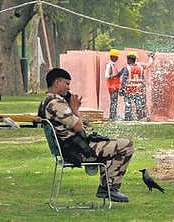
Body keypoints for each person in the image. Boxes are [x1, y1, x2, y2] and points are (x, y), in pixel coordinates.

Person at [38, 68, 134, 202]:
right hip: (77, 152)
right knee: (126, 145)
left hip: (72, 148)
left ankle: (107, 186)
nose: (68, 87)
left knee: (112, 143)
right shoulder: (55, 103)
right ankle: (109, 188)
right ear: (57, 83)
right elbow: (78, 127)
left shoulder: (46, 101)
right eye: (66, 83)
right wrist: (75, 109)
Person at [120, 51, 154, 121]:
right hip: (138, 91)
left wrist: (122, 90)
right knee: (138, 105)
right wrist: (151, 57)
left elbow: (124, 80)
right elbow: (149, 65)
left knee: (128, 106)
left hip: (128, 91)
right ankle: (139, 118)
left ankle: (128, 119)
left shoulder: (127, 68)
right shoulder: (140, 66)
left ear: (128, 59)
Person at [105, 49, 121, 121]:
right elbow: (107, 76)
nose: (117, 58)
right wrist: (115, 75)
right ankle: (112, 117)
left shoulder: (114, 65)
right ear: (112, 57)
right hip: (112, 87)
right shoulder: (109, 66)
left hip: (115, 87)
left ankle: (113, 115)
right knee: (113, 102)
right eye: (116, 57)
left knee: (114, 102)